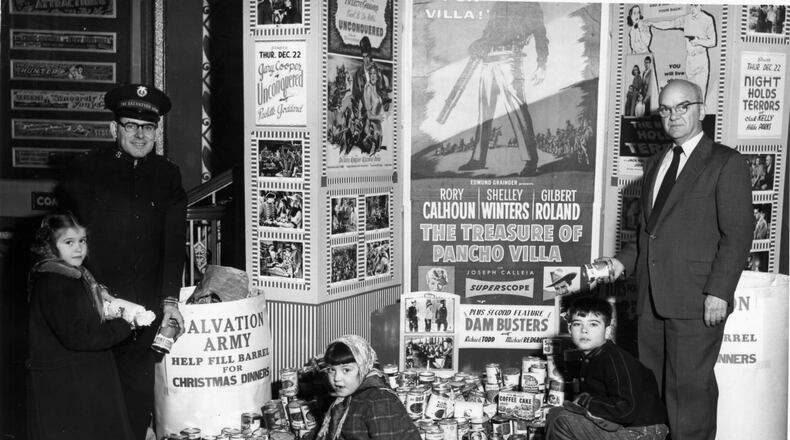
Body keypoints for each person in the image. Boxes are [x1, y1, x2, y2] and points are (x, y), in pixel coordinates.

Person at [596, 79, 753, 440]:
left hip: (697, 300)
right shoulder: (656, 163)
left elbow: (738, 235)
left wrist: (719, 291)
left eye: (682, 106)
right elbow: (647, 236)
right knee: (655, 393)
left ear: (701, 108)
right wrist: (617, 263)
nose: (673, 115)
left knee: (689, 396)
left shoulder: (726, 162)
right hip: (652, 301)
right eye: (666, 109)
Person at [61, 84, 187, 440]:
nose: (139, 134)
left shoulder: (167, 174)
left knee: (135, 398)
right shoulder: (85, 170)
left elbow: (173, 243)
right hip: (97, 306)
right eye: (130, 125)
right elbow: (69, 242)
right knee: (94, 397)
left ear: (156, 132)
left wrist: (169, 300)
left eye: (147, 127)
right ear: (113, 128)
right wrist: (89, 291)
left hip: (145, 309)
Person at [26, 213, 136, 440]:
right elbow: (79, 336)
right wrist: (125, 325)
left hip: (77, 378)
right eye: (68, 242)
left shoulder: (73, 275)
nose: (78, 248)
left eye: (82, 241)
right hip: (70, 384)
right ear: (49, 246)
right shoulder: (55, 280)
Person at [546, 297, 668, 440]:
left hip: (643, 431)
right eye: (577, 324)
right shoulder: (591, 357)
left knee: (562, 420)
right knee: (555, 413)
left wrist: (586, 403)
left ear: (607, 330)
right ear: (570, 329)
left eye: (593, 324)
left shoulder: (613, 359)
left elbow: (626, 410)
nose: (584, 331)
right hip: (624, 427)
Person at [457, 2, 548, 176]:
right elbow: (488, 33)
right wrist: (478, 44)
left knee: (517, 109)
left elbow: (540, 34)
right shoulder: (499, 4)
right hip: (487, 60)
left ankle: (530, 160)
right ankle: (477, 159)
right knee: (484, 112)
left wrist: (542, 64)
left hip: (510, 58)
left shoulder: (531, 5)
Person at [316, 335, 421, 440]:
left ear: (363, 367)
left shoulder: (379, 400)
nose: (336, 378)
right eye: (331, 370)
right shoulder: (345, 399)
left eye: (346, 370)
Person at [649, 5, 716, 100]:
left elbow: (713, 41)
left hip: (700, 58)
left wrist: (698, 41)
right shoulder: (686, 19)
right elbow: (669, 24)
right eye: (691, 5)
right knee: (691, 94)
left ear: (701, 5)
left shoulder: (707, 19)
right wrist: (652, 23)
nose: (693, 8)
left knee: (700, 94)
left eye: (696, 5)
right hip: (690, 60)